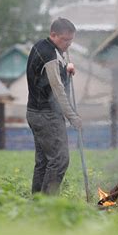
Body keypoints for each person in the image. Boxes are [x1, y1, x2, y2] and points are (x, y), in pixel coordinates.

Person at [26, 17, 82, 195]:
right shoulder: (50, 56)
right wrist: (73, 117)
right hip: (46, 115)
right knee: (59, 160)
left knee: (44, 162)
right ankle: (47, 206)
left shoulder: (41, 47)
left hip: (35, 112)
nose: (68, 44)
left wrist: (66, 70)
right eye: (65, 39)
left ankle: (37, 204)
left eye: (71, 40)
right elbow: (57, 91)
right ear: (53, 35)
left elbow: (47, 80)